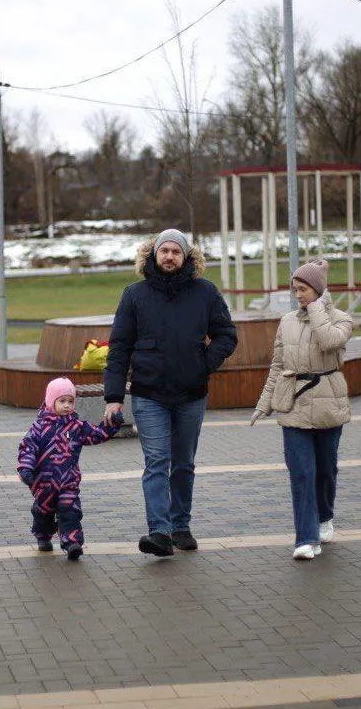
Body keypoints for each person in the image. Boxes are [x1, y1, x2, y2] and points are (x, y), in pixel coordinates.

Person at [103, 229, 238, 557]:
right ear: (153, 254)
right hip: (149, 395)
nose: (169, 257)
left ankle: (181, 527)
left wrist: (203, 364)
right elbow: (119, 347)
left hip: (191, 394)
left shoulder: (205, 292)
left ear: (186, 257)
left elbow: (226, 334)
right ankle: (160, 532)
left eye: (176, 252)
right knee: (157, 462)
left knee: (183, 464)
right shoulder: (134, 295)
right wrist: (114, 396)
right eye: (164, 251)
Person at [251, 259, 354, 560]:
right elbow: (277, 366)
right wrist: (264, 403)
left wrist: (317, 308)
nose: (298, 295)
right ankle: (306, 539)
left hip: (328, 402)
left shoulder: (342, 319)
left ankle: (324, 518)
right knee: (301, 472)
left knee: (325, 470)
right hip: (293, 402)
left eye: (304, 289)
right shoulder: (287, 322)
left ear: (319, 290)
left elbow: (329, 341)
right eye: (295, 289)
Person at [17, 377, 124, 561]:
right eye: (62, 401)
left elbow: (97, 435)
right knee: (44, 511)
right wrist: (26, 468)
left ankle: (72, 542)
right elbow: (28, 448)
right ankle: (43, 535)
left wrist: (112, 424)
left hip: (68, 480)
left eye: (70, 401)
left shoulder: (77, 426)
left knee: (70, 510)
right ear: (51, 401)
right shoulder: (40, 426)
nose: (67, 406)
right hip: (44, 482)